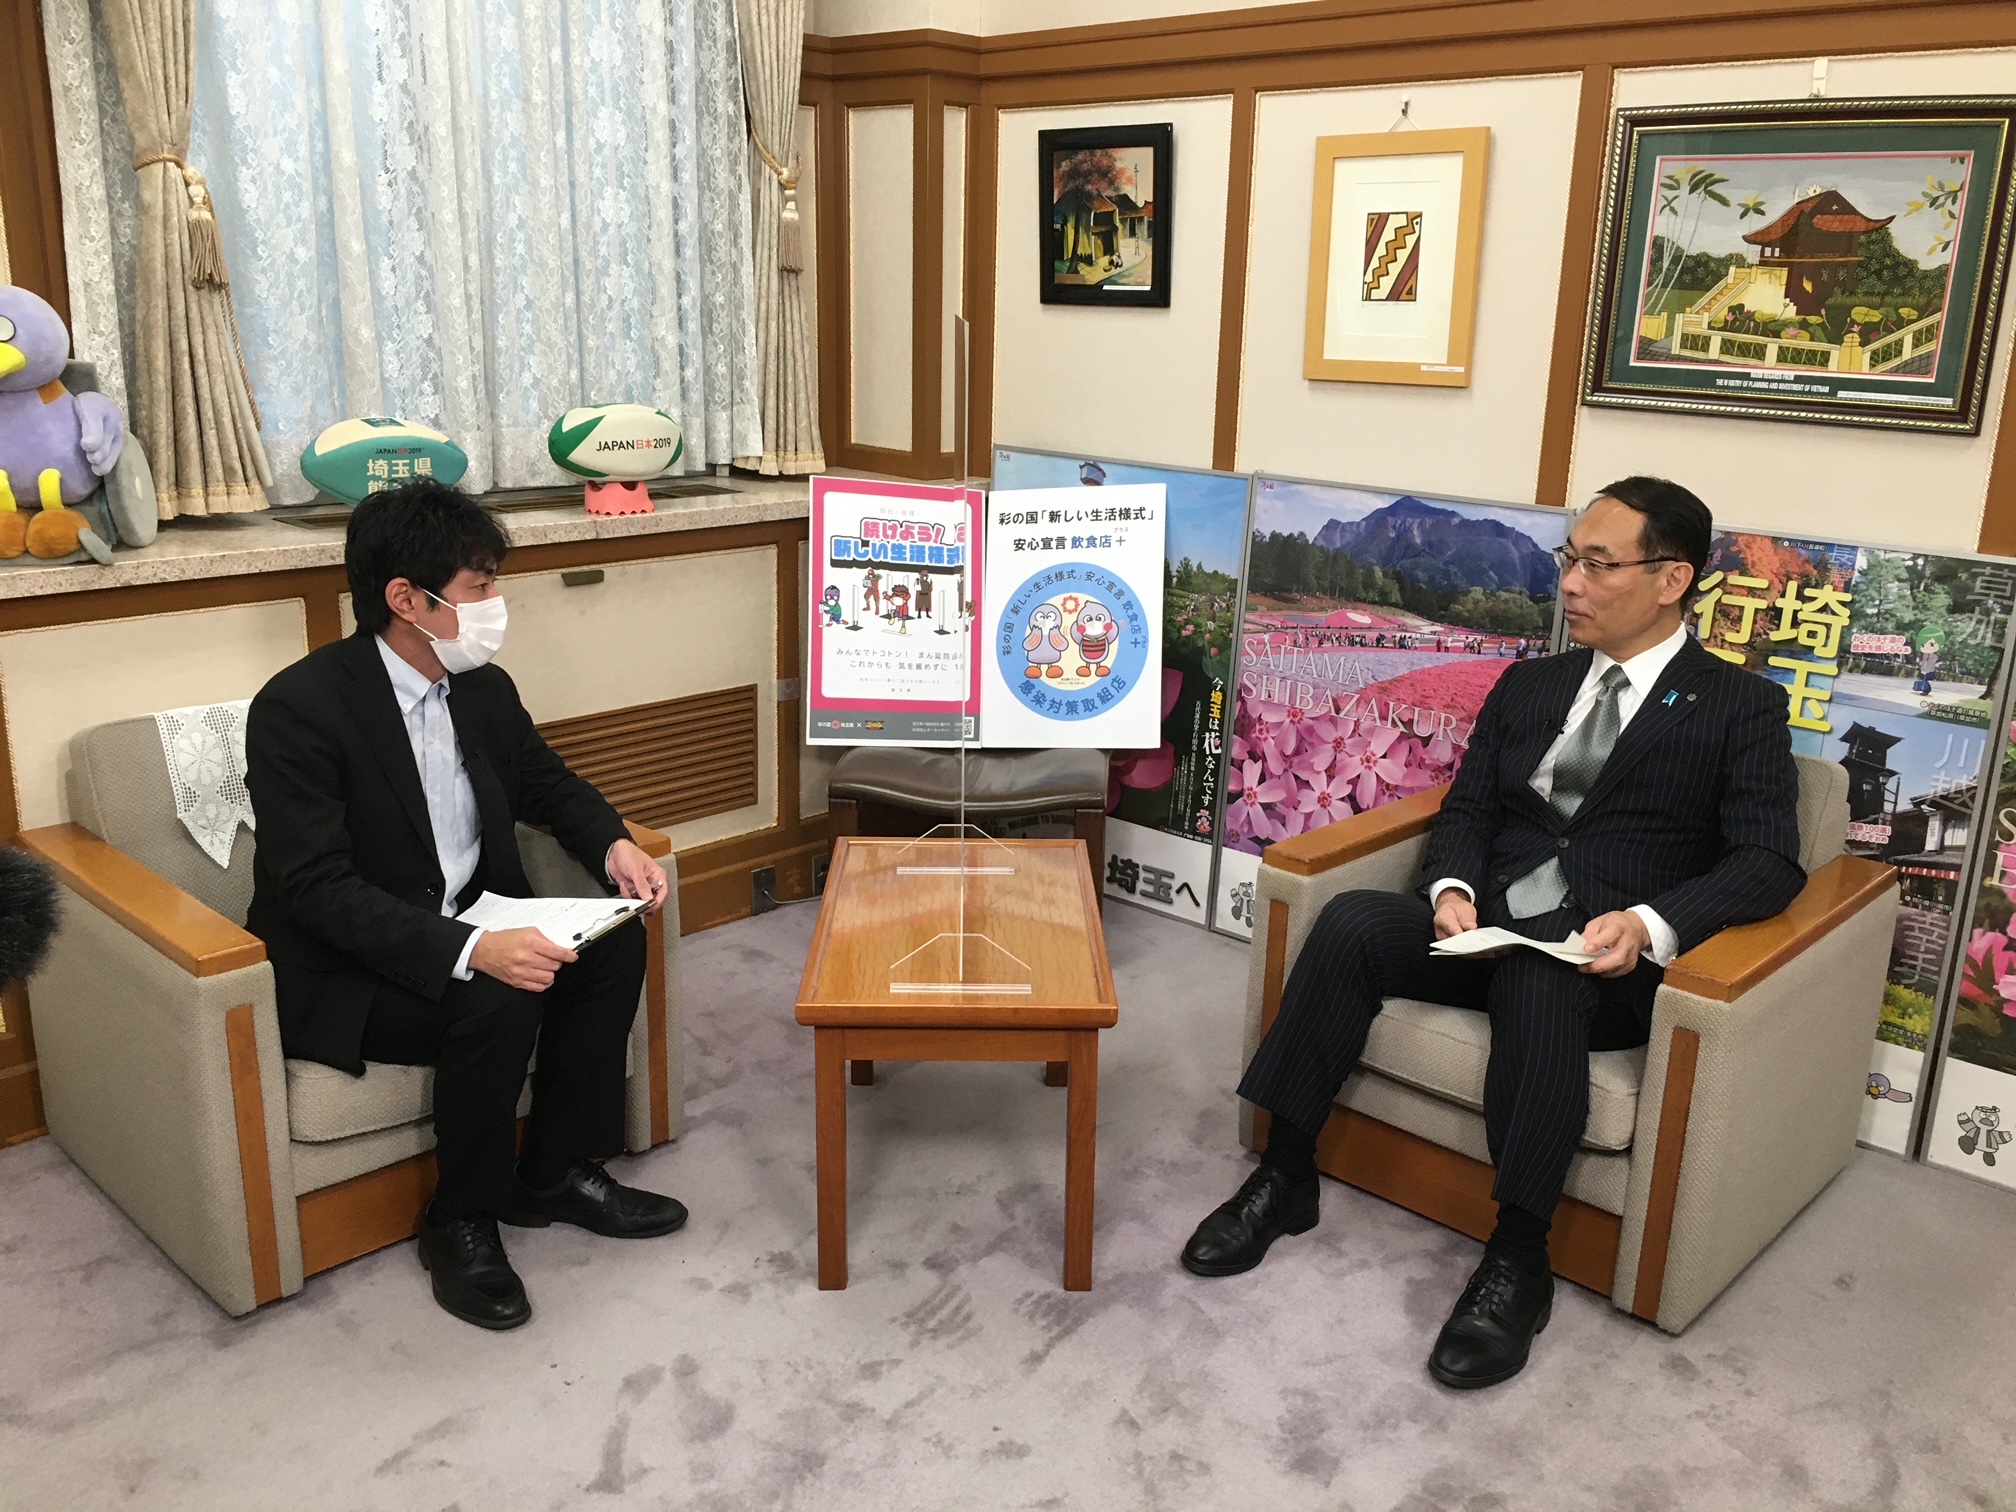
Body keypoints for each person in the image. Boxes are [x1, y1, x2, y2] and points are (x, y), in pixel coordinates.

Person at [1179, 477, 1804, 1389]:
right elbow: (1469, 806)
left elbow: (1769, 861)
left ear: (1672, 579)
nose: (1571, 584)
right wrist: (1451, 887)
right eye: (1570, 560)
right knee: (1353, 921)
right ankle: (1285, 1173)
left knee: (1540, 979)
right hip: (1490, 924)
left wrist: (1648, 924)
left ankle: (1518, 1259)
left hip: (1601, 957)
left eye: (1599, 565)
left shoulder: (1738, 707)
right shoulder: (1533, 683)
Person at [246, 480, 685, 1332]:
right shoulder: (301, 709)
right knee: (498, 993)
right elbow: (314, 888)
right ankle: (460, 1220)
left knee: (614, 943)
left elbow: (547, 783)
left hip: (473, 912)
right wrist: (469, 950)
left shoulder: (481, 686)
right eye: (479, 587)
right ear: (406, 600)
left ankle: (556, 1172)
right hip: (352, 965)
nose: (494, 605)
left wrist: (613, 844)